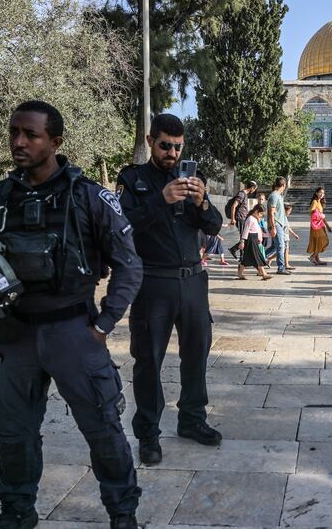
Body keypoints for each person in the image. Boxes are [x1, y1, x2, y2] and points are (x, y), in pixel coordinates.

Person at [0, 101, 143, 529]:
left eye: (30, 134)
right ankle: (17, 511)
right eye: (14, 133)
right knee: (15, 436)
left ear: (55, 141)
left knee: (103, 430)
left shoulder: (89, 196)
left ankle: (122, 514)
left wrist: (104, 324)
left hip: (75, 333)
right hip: (14, 335)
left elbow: (129, 265)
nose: (19, 142)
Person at [116, 113, 223, 467]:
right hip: (153, 283)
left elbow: (214, 225)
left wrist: (202, 202)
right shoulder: (133, 180)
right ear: (150, 142)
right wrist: (160, 199)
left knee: (197, 354)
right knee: (148, 359)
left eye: (178, 147)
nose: (172, 153)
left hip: (193, 281)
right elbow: (124, 226)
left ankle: (192, 419)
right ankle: (148, 433)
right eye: (165, 146)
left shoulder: (194, 180)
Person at [237, 204, 272, 280]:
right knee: (258, 256)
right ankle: (264, 274)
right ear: (256, 211)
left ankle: (240, 274)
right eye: (260, 214)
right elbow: (245, 231)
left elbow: (257, 230)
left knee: (247, 258)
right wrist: (242, 241)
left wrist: (264, 236)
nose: (261, 216)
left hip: (254, 239)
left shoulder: (254, 219)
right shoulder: (250, 219)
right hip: (250, 240)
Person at [265, 176, 290, 275]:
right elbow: (271, 213)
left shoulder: (279, 196)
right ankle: (280, 268)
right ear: (283, 185)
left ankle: (259, 258)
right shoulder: (274, 196)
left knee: (275, 247)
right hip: (276, 225)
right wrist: (273, 227)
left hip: (280, 225)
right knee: (281, 246)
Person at [228, 180, 258, 260]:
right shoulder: (241, 194)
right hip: (240, 218)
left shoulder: (245, 194)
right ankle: (242, 257)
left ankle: (234, 250)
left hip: (243, 218)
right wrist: (232, 219)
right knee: (243, 238)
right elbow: (233, 206)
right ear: (252, 187)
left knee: (245, 237)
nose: (254, 191)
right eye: (255, 189)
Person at [307, 187, 332, 265]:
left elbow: (321, 215)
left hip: (320, 225)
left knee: (318, 242)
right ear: (316, 193)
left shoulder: (319, 202)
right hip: (316, 226)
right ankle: (312, 256)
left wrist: (327, 226)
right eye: (320, 192)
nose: (322, 194)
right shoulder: (314, 202)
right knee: (324, 241)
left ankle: (317, 260)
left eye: (323, 193)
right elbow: (310, 212)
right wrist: (316, 213)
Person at [283, 203, 300, 270]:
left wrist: (294, 234)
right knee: (284, 250)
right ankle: (286, 264)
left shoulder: (285, 218)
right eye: (289, 211)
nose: (289, 213)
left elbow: (288, 227)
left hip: (286, 236)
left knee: (285, 250)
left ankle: (269, 259)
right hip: (284, 236)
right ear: (285, 210)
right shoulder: (283, 218)